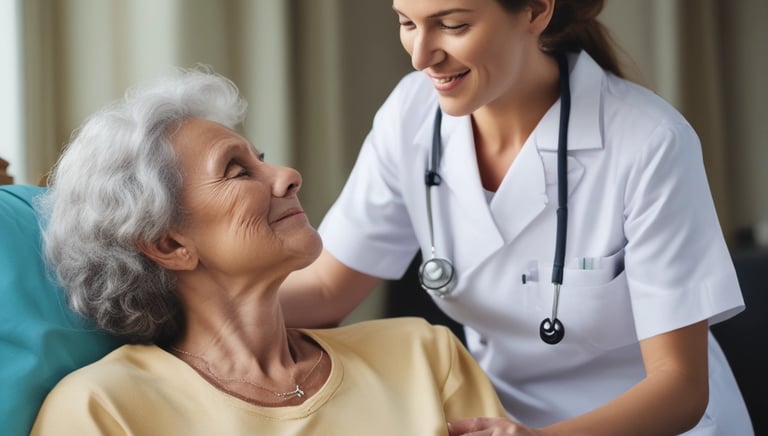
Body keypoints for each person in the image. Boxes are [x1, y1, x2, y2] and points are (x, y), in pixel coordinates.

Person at [279, 0, 753, 434]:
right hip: (497, 416)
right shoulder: (412, 114)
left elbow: (681, 389)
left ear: (536, 11)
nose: (421, 56)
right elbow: (326, 291)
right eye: (406, 23)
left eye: (453, 25)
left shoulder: (649, 142)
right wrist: (208, 306)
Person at [30, 68, 507, 435]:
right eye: (238, 171)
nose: (287, 175)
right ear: (169, 244)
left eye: (260, 157)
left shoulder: (425, 355)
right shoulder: (103, 409)